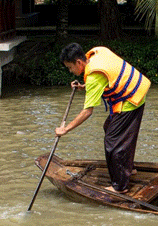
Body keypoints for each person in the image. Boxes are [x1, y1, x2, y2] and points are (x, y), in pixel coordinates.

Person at [56, 43, 151, 193]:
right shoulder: (97, 53)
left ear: (79, 62)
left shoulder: (94, 76)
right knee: (110, 128)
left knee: (112, 141)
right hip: (136, 91)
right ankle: (128, 168)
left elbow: (87, 111)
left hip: (131, 100)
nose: (70, 71)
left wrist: (65, 129)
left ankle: (120, 186)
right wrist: (83, 86)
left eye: (70, 67)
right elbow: (107, 78)